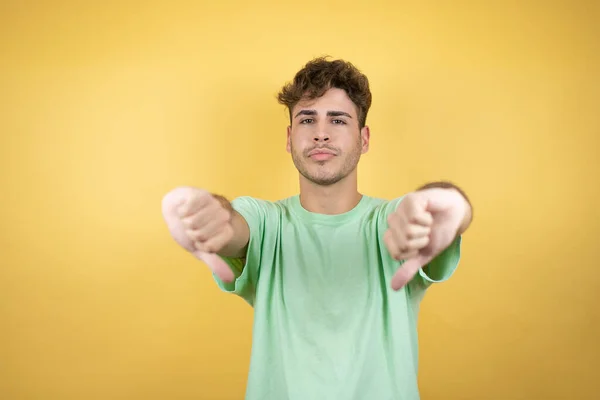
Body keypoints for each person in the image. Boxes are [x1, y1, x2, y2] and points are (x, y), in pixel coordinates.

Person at [161, 57, 473, 400]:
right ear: (290, 137)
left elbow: (436, 209)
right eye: (307, 119)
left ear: (364, 138)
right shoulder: (266, 222)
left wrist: (451, 205)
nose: (321, 132)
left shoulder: (395, 221)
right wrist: (208, 216)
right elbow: (234, 224)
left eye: (338, 120)